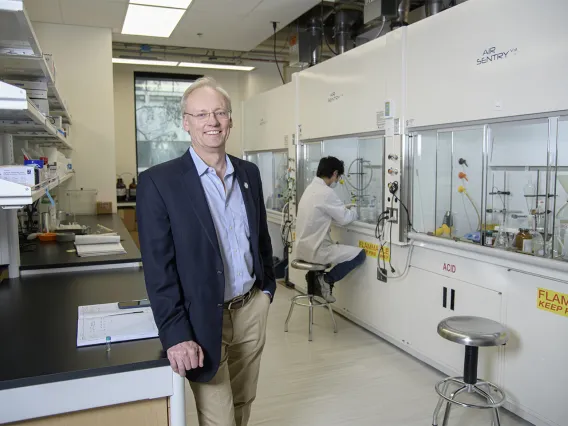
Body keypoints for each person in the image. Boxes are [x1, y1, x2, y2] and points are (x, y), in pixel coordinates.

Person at [137, 76, 276, 426]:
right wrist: (175, 334)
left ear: (230, 119)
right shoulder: (159, 182)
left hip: (249, 309)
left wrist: (267, 292)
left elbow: (260, 238)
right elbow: (159, 269)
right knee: (219, 418)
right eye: (200, 114)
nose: (211, 122)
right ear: (186, 122)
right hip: (201, 318)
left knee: (244, 401)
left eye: (219, 113)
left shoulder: (249, 173)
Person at [294, 156, 366, 302]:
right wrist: (357, 211)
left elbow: (322, 210)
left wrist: (342, 208)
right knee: (360, 254)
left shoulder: (311, 188)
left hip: (302, 248)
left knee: (335, 246)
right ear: (334, 173)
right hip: (316, 251)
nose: (337, 180)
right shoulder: (326, 193)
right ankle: (325, 280)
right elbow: (345, 219)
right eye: (338, 176)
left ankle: (315, 277)